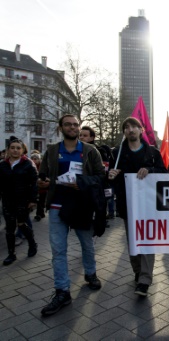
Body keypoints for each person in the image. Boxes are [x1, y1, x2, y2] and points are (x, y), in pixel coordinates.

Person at [39, 114, 105, 316]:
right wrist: (42, 184)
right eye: (68, 124)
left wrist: (82, 182)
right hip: (58, 207)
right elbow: (42, 176)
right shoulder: (51, 151)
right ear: (61, 128)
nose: (72, 127)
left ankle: (91, 273)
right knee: (58, 250)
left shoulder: (90, 151)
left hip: (81, 206)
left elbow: (100, 177)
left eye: (75, 124)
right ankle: (62, 291)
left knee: (87, 243)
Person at [109, 117, 167, 297]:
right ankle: (138, 271)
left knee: (147, 240)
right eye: (126, 127)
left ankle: (145, 279)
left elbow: (164, 174)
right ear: (124, 132)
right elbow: (111, 177)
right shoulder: (117, 153)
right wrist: (111, 175)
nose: (130, 130)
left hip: (149, 205)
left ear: (141, 130)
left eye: (134, 126)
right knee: (133, 240)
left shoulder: (152, 152)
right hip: (128, 204)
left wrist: (150, 170)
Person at [0, 137, 38, 265]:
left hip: (23, 200)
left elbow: (34, 183)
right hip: (7, 200)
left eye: (18, 148)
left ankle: (32, 243)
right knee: (10, 228)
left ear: (22, 150)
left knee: (21, 223)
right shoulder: (3, 165)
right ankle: (11, 254)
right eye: (12, 148)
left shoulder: (28, 164)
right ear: (8, 150)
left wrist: (33, 200)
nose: (15, 150)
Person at [79, 126, 115, 219]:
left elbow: (104, 169)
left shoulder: (99, 151)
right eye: (80, 135)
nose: (82, 137)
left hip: (96, 185)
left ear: (92, 138)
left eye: (85, 135)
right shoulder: (76, 150)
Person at [30, 152, 47, 222]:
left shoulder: (43, 166)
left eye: (35, 159)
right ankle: (40, 214)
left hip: (42, 187)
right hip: (35, 188)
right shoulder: (31, 166)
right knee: (39, 201)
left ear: (39, 159)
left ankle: (39, 214)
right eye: (33, 159)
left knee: (41, 201)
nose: (34, 160)